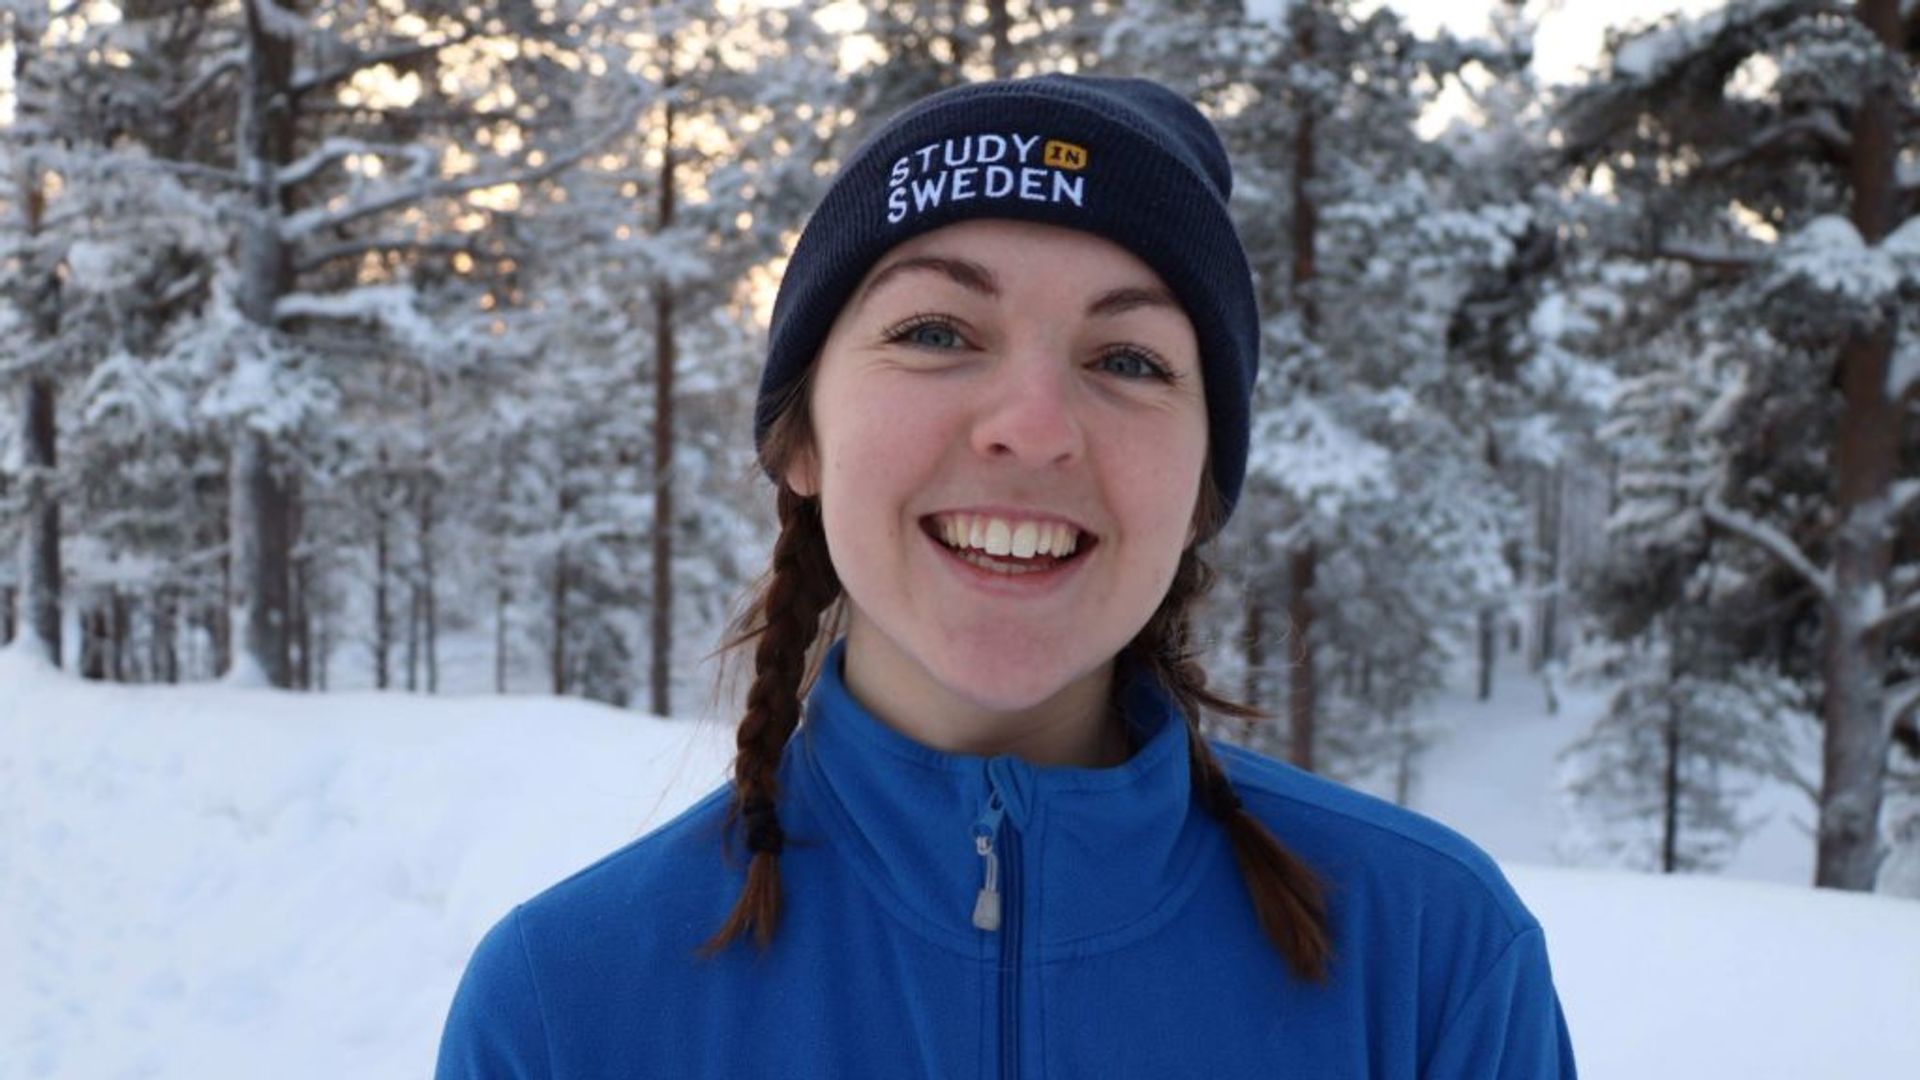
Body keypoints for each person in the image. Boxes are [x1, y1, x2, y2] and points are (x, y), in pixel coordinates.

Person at [435, 73, 1577, 1079]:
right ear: (802, 438)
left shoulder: (1432, 961)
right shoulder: (566, 1009)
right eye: (937, 331)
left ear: (1200, 495)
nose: (1034, 428)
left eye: (1128, 359)